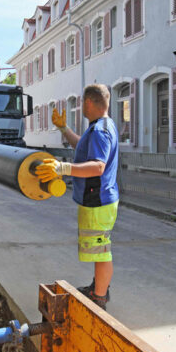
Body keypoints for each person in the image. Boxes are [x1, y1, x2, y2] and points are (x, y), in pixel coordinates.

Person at [35, 84, 119, 310]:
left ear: (89, 102)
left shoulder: (100, 130)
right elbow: (82, 147)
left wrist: (62, 168)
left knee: (101, 250)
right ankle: (98, 287)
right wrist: (64, 129)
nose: (81, 106)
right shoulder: (99, 127)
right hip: (97, 198)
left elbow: (98, 166)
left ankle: (99, 299)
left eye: (82, 103)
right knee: (98, 247)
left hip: (98, 199)